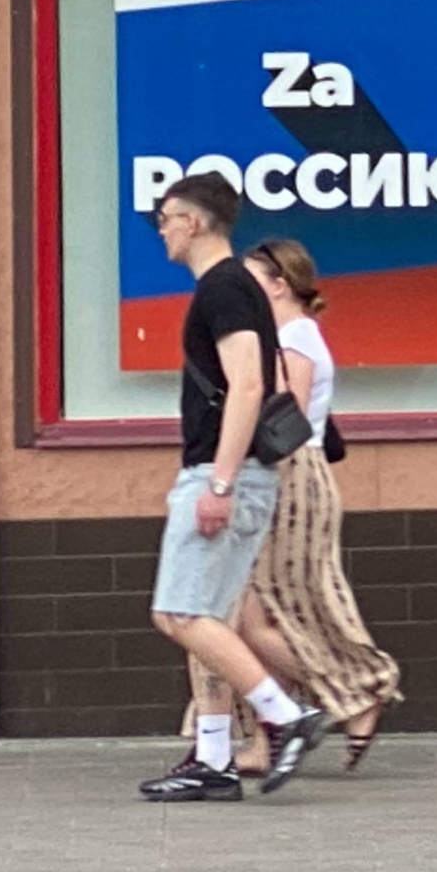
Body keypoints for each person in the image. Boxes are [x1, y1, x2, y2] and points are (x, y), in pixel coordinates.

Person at [138, 170, 328, 801]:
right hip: (244, 474)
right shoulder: (237, 288)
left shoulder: (222, 289)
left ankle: (285, 716)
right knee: (211, 617)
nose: (161, 231)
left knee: (179, 612)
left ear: (192, 222)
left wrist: (218, 482)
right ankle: (214, 759)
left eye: (166, 219)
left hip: (225, 474)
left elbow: (250, 385)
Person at [240, 237, 401, 768]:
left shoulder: (294, 337)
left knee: (253, 616)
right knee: (258, 615)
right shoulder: (290, 335)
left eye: (253, 281)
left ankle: (353, 693)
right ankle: (270, 735)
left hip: (288, 479)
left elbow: (284, 415)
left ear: (279, 285)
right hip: (285, 477)